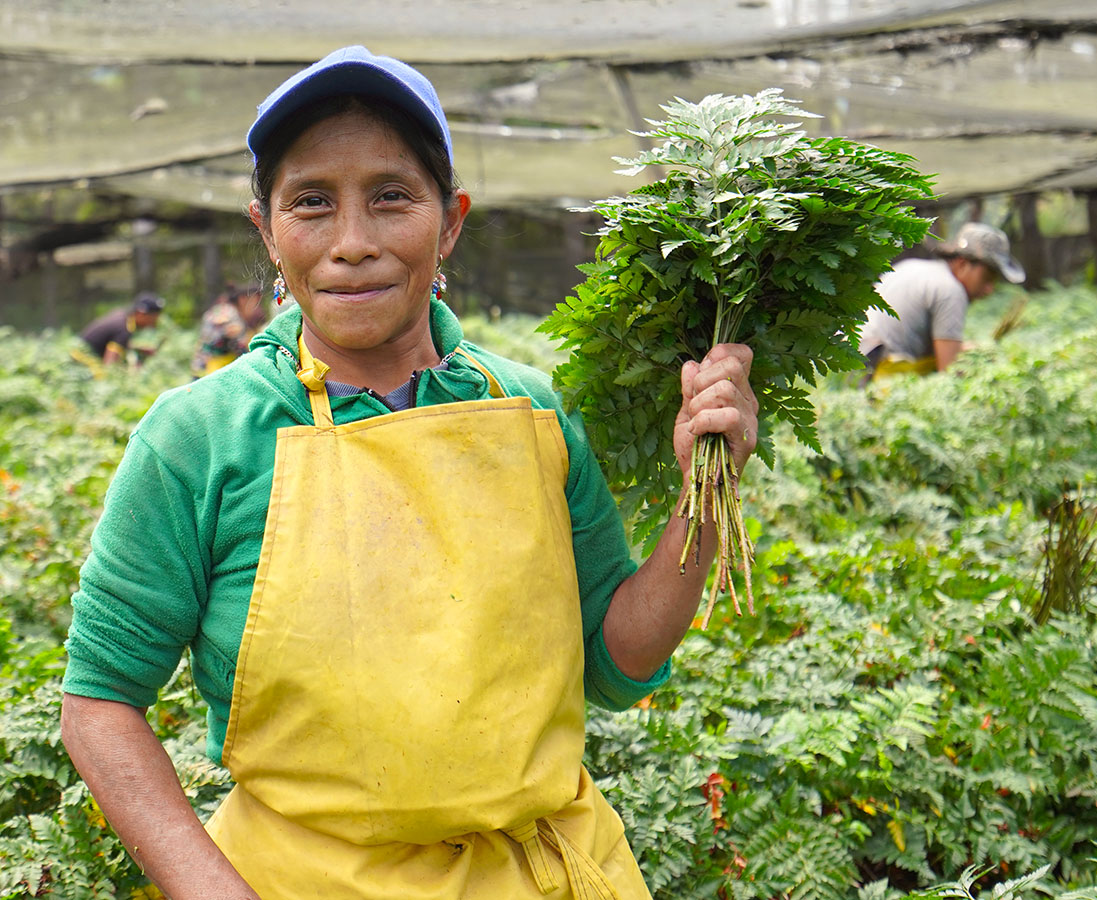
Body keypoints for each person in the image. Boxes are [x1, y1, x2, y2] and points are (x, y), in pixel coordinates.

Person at [59, 45, 759, 899]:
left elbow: (615, 658)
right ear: (266, 230)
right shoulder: (197, 438)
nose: (352, 244)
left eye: (391, 197)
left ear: (451, 219)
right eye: (311, 203)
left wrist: (702, 493)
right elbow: (99, 703)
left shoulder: (534, 412)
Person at [858, 222, 1025, 381]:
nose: (990, 289)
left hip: (849, 363)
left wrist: (971, 349)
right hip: (874, 374)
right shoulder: (951, 291)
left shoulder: (913, 267)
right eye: (987, 278)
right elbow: (948, 372)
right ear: (962, 264)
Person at [191, 282, 266, 376]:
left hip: (212, 371)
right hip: (208, 372)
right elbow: (238, 344)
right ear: (243, 299)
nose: (257, 307)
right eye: (256, 302)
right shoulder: (228, 314)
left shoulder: (229, 312)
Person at [79, 292, 165, 364]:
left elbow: (115, 342)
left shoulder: (123, 316)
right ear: (141, 313)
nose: (154, 323)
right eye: (153, 318)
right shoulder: (125, 327)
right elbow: (109, 363)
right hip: (83, 360)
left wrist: (139, 349)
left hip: (80, 351)